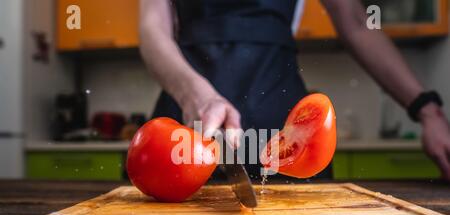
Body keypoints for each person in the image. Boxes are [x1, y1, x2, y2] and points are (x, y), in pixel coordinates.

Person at [139, 0, 450, 180]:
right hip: (185, 116)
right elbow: (152, 28)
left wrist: (427, 109)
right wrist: (193, 93)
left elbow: (356, 22)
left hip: (282, 122)